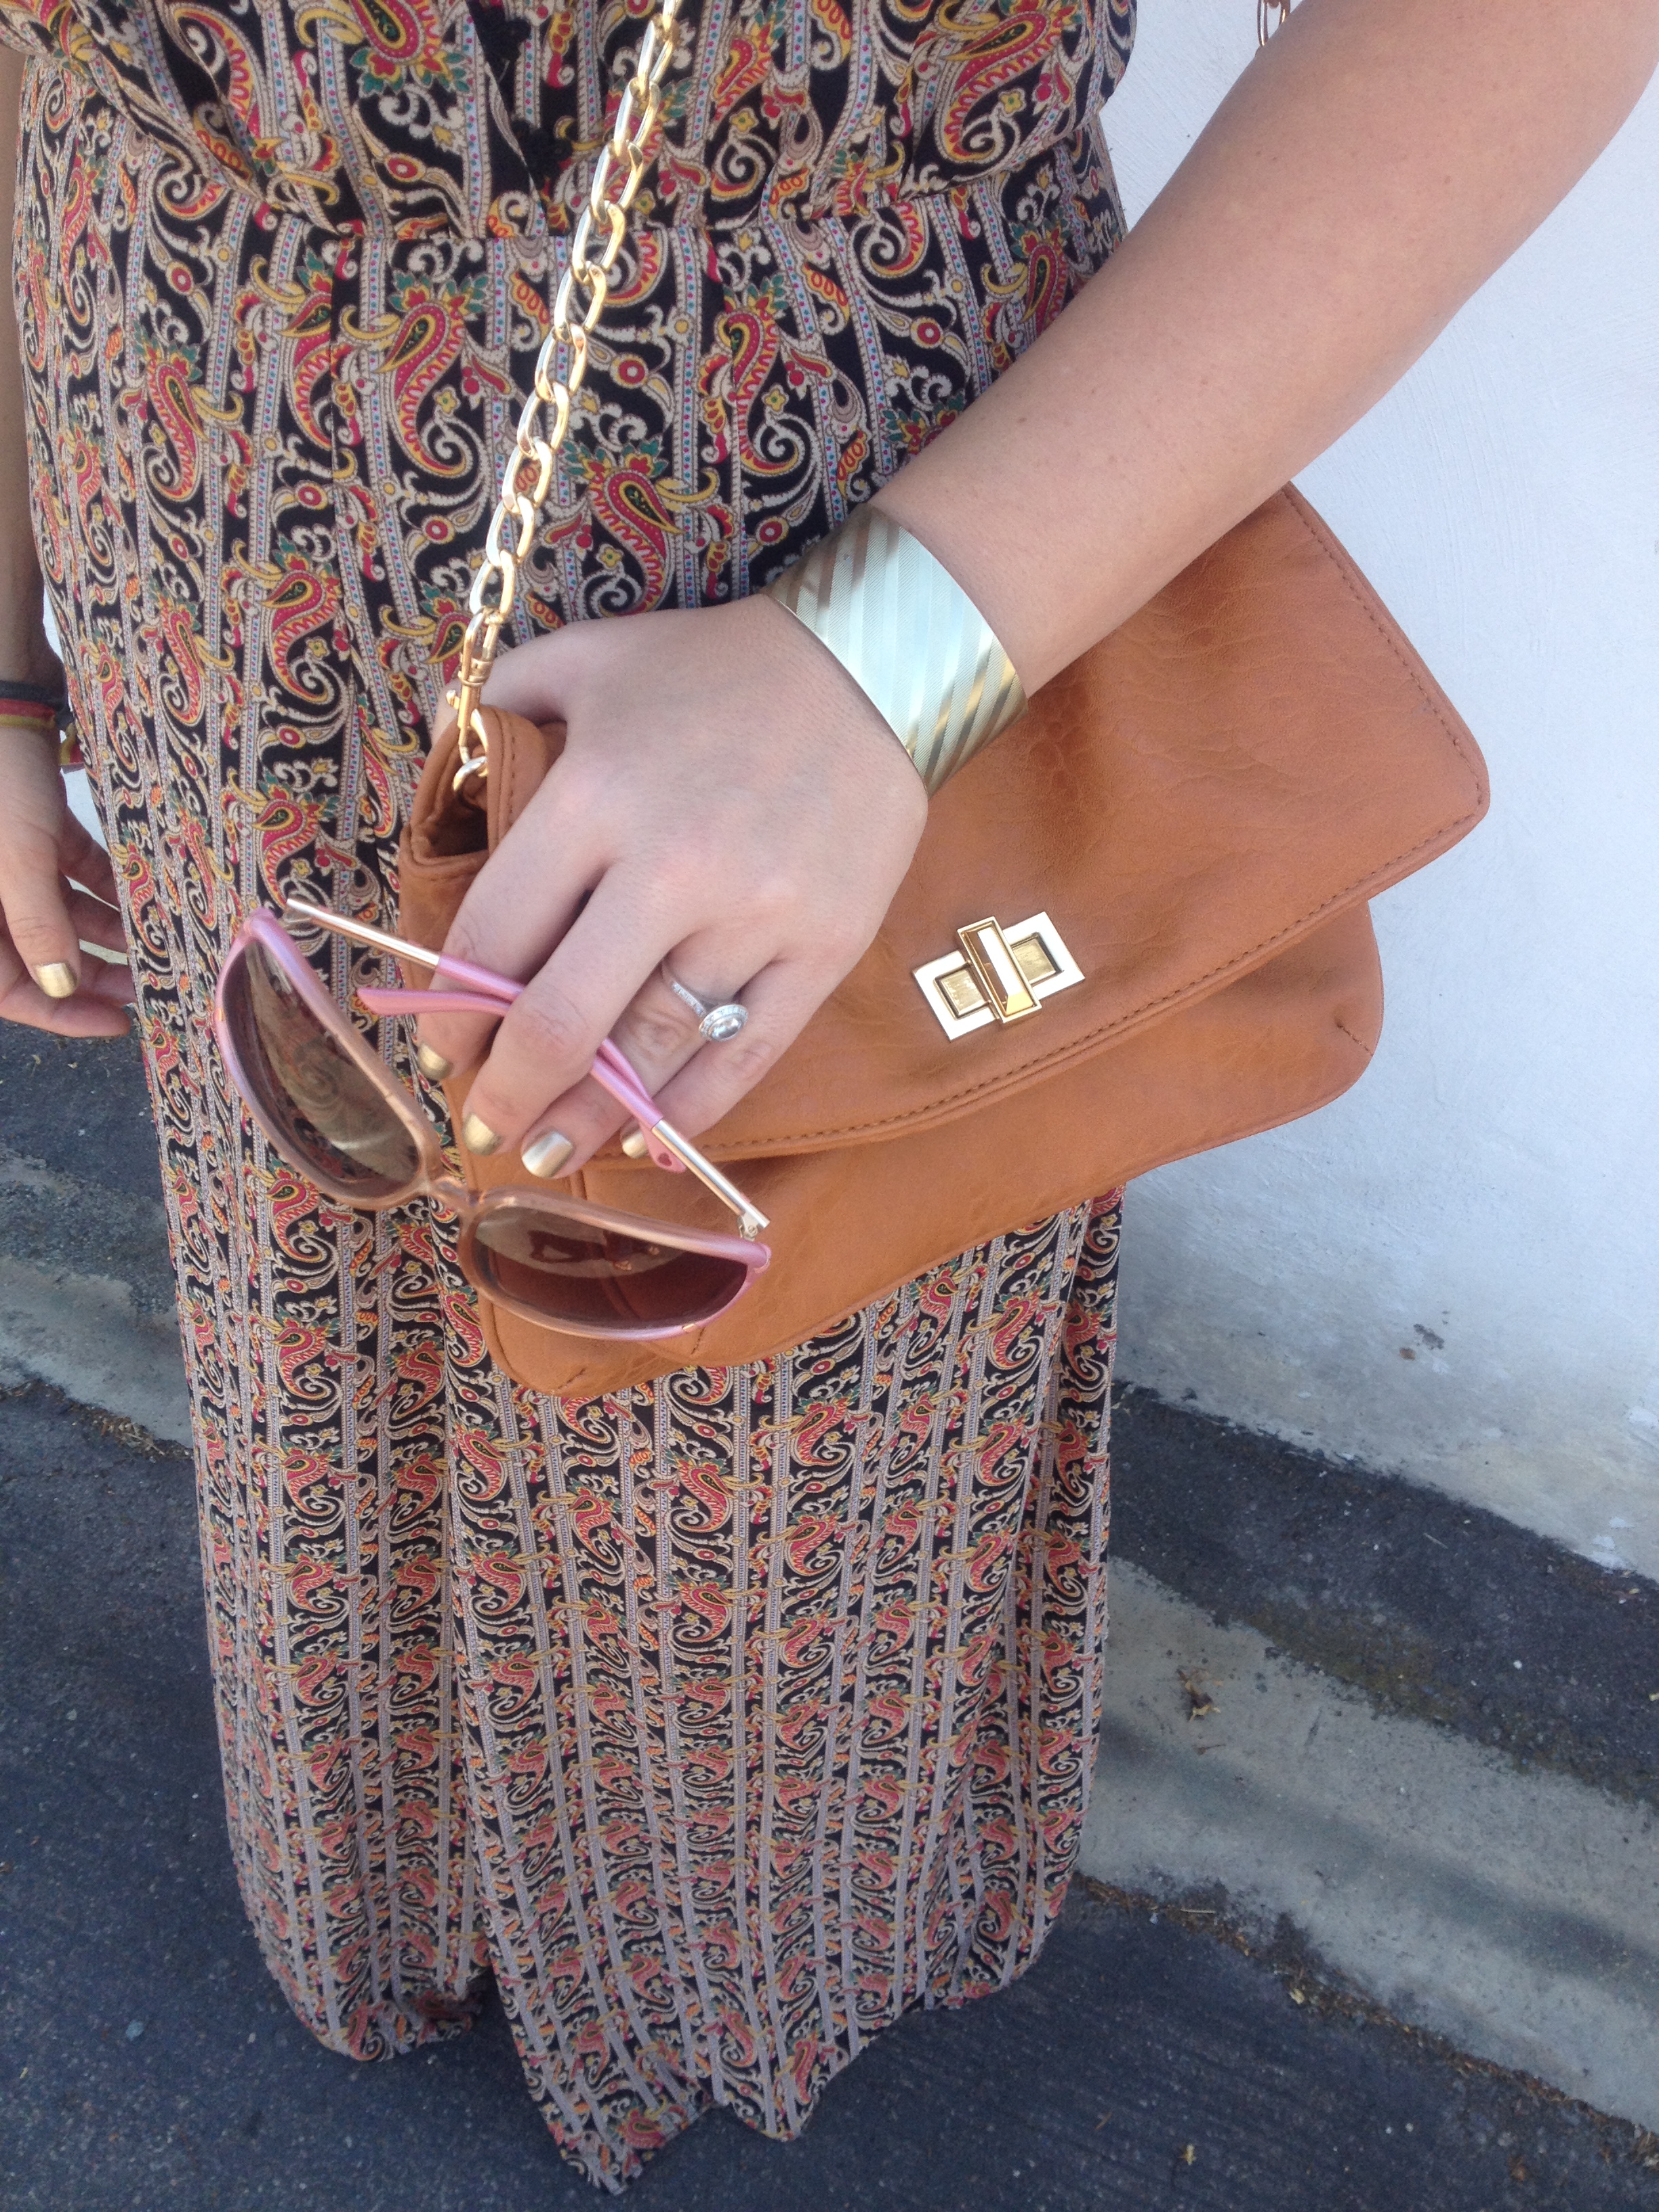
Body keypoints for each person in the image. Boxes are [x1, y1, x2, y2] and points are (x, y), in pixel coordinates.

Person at [0, 0, 1651, 2187]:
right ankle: (396, 1891)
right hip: (187, 477)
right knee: (314, 1303)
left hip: (834, 547)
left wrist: (886, 668)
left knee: (774, 1417)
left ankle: (737, 1965)